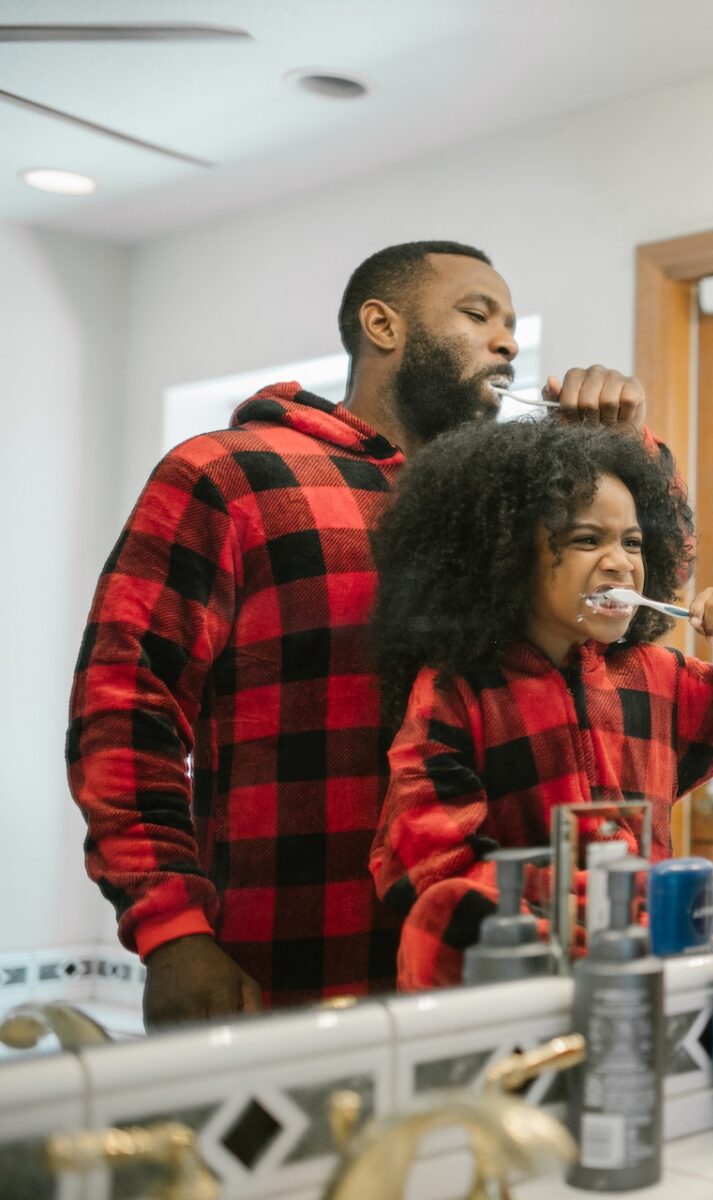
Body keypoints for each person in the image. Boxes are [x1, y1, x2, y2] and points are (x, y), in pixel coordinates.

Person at [67, 239, 658, 1023]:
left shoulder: (508, 516)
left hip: (492, 978)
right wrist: (172, 929)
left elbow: (624, 658)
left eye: (513, 325)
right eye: (477, 313)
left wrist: (622, 451)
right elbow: (124, 708)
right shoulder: (229, 475)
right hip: (286, 968)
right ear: (383, 325)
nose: (509, 341)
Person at [368, 419, 713, 990]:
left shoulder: (656, 676)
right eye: (586, 539)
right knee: (444, 918)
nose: (621, 561)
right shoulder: (457, 690)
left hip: (645, 955)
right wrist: (597, 905)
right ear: (506, 554)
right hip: (526, 961)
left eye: (632, 542)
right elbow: (424, 867)